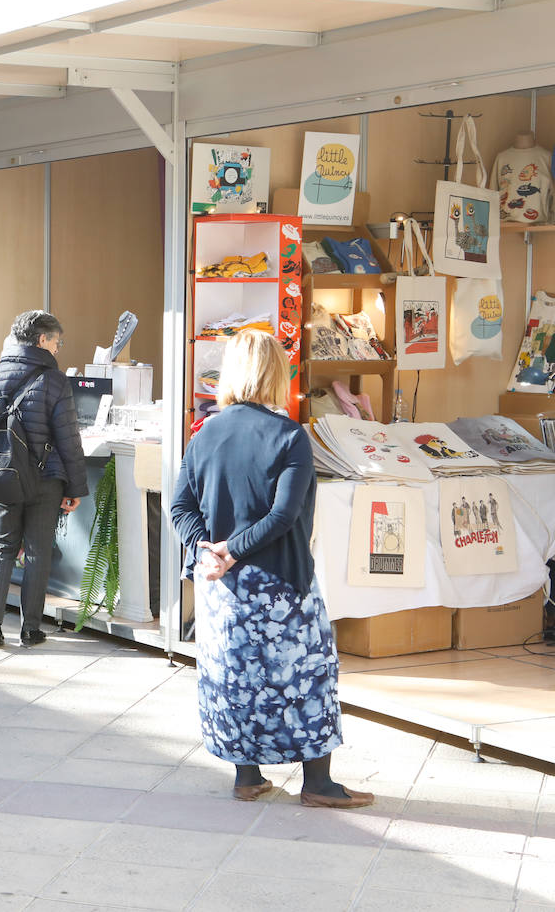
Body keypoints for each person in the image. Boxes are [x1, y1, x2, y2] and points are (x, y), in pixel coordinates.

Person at [170, 331, 372, 809]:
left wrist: (211, 550)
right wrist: (232, 550)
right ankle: (318, 784)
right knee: (307, 674)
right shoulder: (290, 437)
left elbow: (180, 506)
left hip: (223, 586)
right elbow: (283, 516)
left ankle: (247, 776)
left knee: (236, 675)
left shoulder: (207, 434)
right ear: (278, 374)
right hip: (281, 582)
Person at [0, 311, 86, 648]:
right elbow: (69, 439)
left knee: (1, 547)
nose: (58, 349)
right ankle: (31, 629)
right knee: (37, 551)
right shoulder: (56, 381)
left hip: (3, 475)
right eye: (56, 342)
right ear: (41, 340)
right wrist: (75, 486)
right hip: (46, 480)